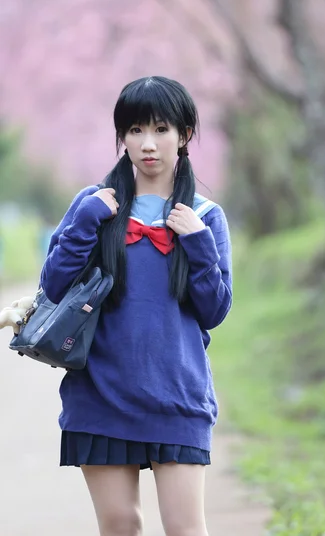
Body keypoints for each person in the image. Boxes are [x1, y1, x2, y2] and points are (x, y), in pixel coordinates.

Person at [40, 76, 233, 536]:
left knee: (185, 528)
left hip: (178, 395)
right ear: (122, 137)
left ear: (184, 135)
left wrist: (198, 244)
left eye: (161, 129)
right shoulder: (92, 205)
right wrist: (86, 222)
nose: (148, 144)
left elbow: (214, 311)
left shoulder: (205, 217)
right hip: (100, 394)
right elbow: (54, 286)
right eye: (135, 130)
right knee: (120, 525)